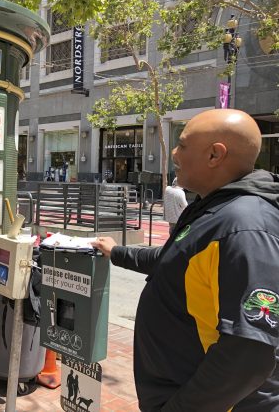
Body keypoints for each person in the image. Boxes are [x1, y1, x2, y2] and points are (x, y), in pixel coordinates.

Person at [92, 109, 279, 411]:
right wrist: (117, 252)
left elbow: (250, 352)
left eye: (183, 145)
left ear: (215, 155)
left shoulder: (244, 227)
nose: (174, 153)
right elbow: (175, 261)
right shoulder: (214, 208)